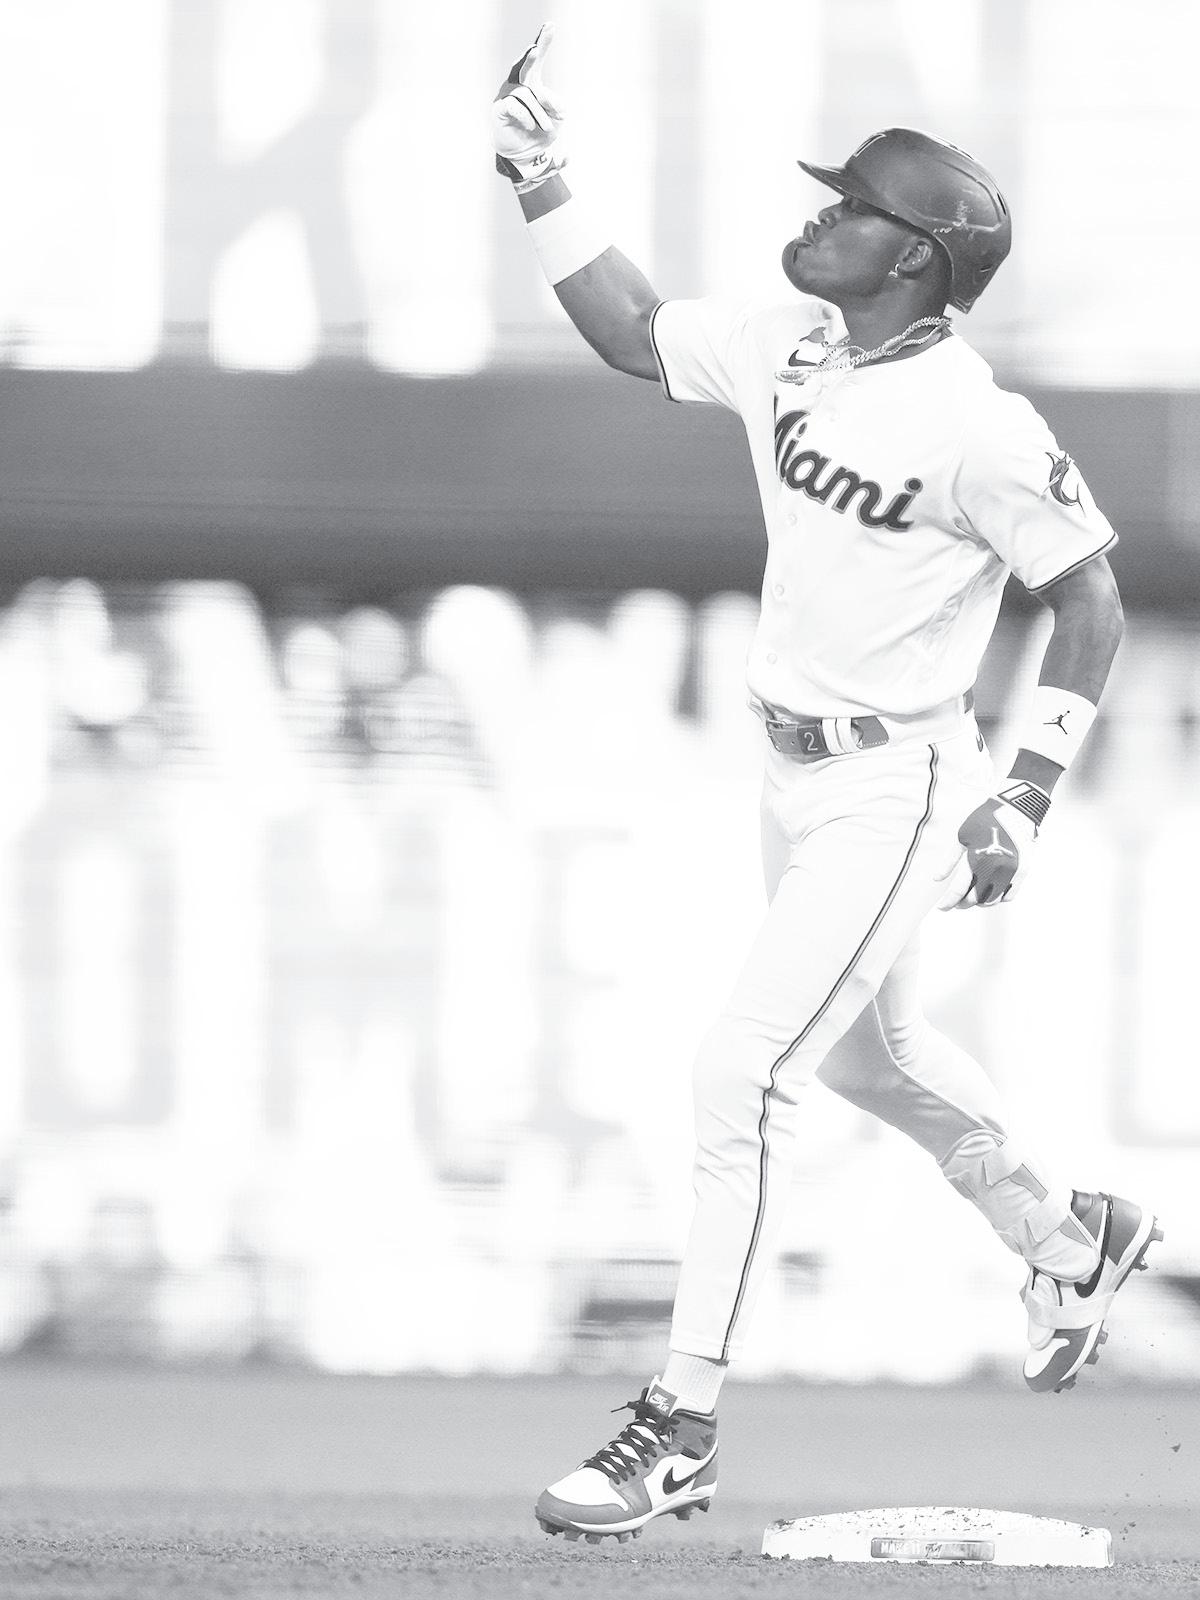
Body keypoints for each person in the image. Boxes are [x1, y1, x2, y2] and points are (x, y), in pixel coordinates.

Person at [493, 26, 1161, 1545]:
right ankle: (1071, 1236)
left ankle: (679, 1428)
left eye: (851, 204)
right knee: (870, 1060)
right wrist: (542, 179)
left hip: (898, 788)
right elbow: (633, 330)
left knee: (741, 1071)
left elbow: (1093, 600)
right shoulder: (796, 342)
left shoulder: (980, 424)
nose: (818, 215)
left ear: (914, 256)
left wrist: (1023, 795)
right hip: (789, 768)